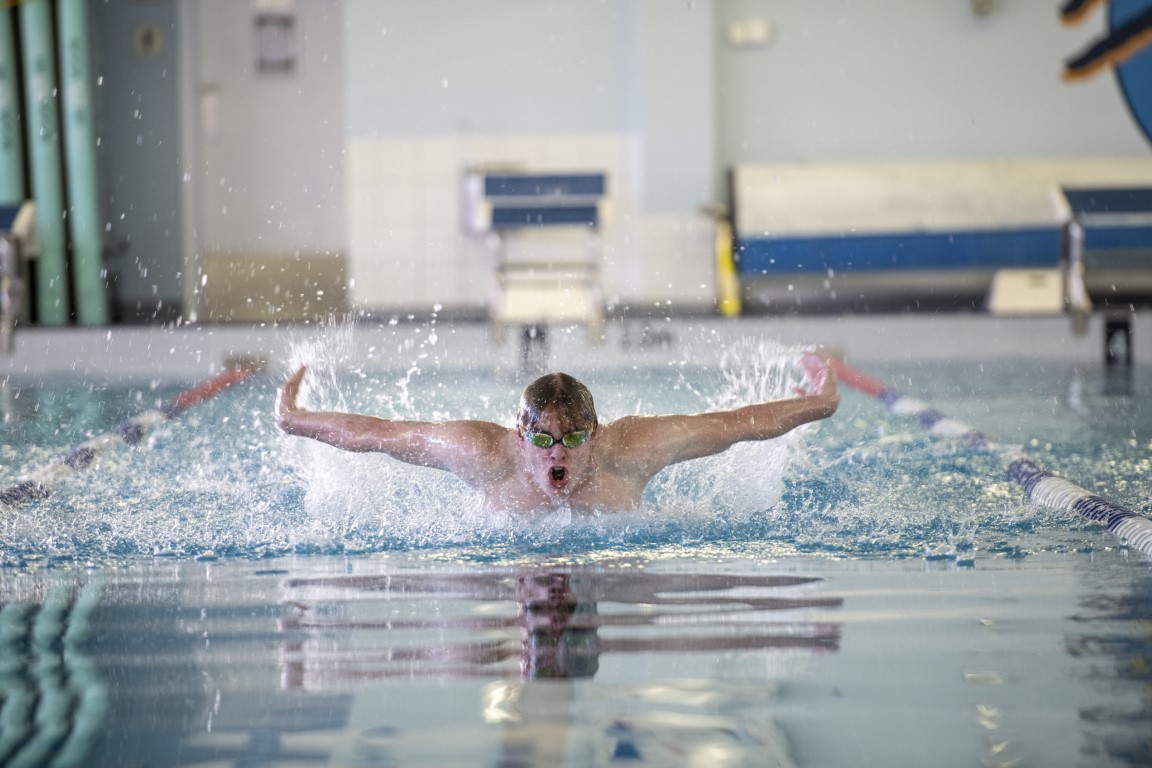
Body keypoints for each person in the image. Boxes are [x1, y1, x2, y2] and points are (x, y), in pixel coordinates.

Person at [276, 351, 838, 512]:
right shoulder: (482, 452)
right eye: (543, 441)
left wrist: (820, 403)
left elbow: (734, 425)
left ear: (597, 434)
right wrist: (294, 419)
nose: (556, 455)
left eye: (571, 439)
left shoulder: (635, 447)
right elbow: (382, 434)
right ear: (521, 438)